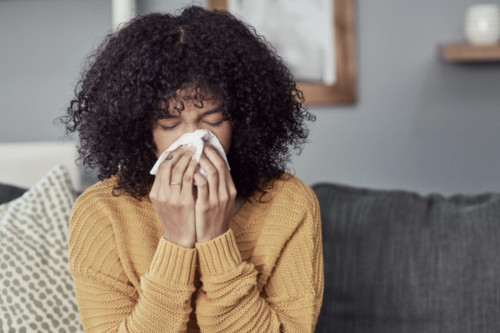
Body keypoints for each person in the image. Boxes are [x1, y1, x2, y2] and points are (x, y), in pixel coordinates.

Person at [63, 5, 323, 333]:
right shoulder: (101, 213)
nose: (192, 140)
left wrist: (216, 239)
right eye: (170, 122)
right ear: (140, 128)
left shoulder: (290, 204)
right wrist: (175, 243)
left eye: (212, 120)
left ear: (243, 119)